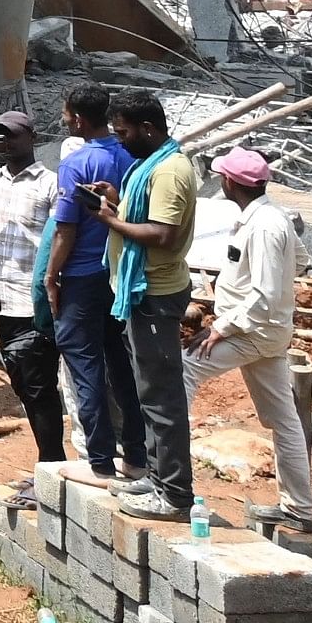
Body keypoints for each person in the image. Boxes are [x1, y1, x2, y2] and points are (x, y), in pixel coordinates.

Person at [83, 91, 200, 519]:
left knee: (161, 397)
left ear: (148, 129)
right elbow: (144, 216)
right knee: (146, 390)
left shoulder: (169, 171)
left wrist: (109, 220)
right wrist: (116, 200)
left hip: (154, 294)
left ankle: (174, 495)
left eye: (125, 132)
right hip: (139, 293)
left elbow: (163, 234)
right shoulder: (151, 166)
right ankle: (156, 475)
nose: (121, 140)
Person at [187, 147, 312, 535]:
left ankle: (173, 482)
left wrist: (223, 327)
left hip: (253, 331)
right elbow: (303, 261)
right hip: (265, 331)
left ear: (230, 182)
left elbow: (264, 294)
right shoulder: (270, 217)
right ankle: (299, 508)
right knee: (283, 419)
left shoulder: (263, 226)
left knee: (183, 369)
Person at [0, 111, 70, 508]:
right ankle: (49, 469)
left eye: (10, 135)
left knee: (40, 388)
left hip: (35, 304)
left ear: (31, 137)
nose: (3, 141)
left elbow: (63, 236)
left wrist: (53, 286)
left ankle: (51, 471)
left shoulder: (49, 184)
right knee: (26, 388)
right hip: (2, 302)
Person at [44, 85, 141, 483]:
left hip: (83, 277)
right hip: (122, 274)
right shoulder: (131, 157)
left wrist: (51, 276)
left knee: (85, 367)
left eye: (67, 114)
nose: (65, 120)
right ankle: (136, 456)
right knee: (123, 367)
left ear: (79, 120)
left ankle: (100, 461)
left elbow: (65, 229)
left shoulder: (77, 163)